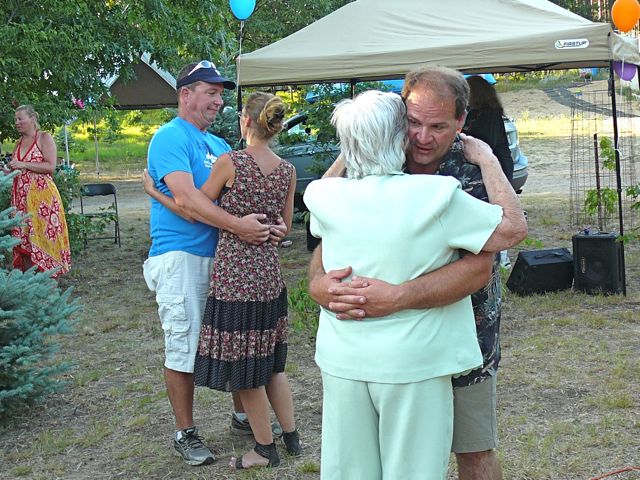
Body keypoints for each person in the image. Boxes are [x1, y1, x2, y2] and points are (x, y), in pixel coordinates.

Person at [309, 67, 528, 480]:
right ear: (398, 120)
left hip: (468, 338)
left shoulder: (468, 176)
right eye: (412, 123)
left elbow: (481, 264)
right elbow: (329, 240)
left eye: (438, 126)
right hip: (398, 357)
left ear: (461, 123)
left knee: (474, 453)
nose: (422, 137)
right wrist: (319, 284)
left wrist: (399, 296)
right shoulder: (371, 169)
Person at [146, 91, 301, 470]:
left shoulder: (231, 161)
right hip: (268, 275)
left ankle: (265, 448)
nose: (218, 102)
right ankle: (291, 437)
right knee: (271, 361)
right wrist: (274, 229)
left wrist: (154, 192)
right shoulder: (288, 170)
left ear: (246, 121)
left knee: (244, 364)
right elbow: (285, 225)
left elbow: (195, 208)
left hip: (234, 275)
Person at [6, 105, 70, 278]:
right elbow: (17, 170)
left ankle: (50, 291)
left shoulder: (44, 138)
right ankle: (30, 291)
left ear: (32, 118)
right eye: (15, 120)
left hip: (43, 202)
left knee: (45, 241)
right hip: (21, 203)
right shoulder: (18, 144)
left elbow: (50, 167)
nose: (17, 123)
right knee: (24, 244)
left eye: (20, 119)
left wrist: (24, 164)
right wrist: (7, 172)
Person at [464, 75, 515, 268]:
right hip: (486, 167)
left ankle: (502, 256)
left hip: (497, 167)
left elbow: (486, 141)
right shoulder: (477, 112)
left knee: (499, 211)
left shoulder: (488, 113)